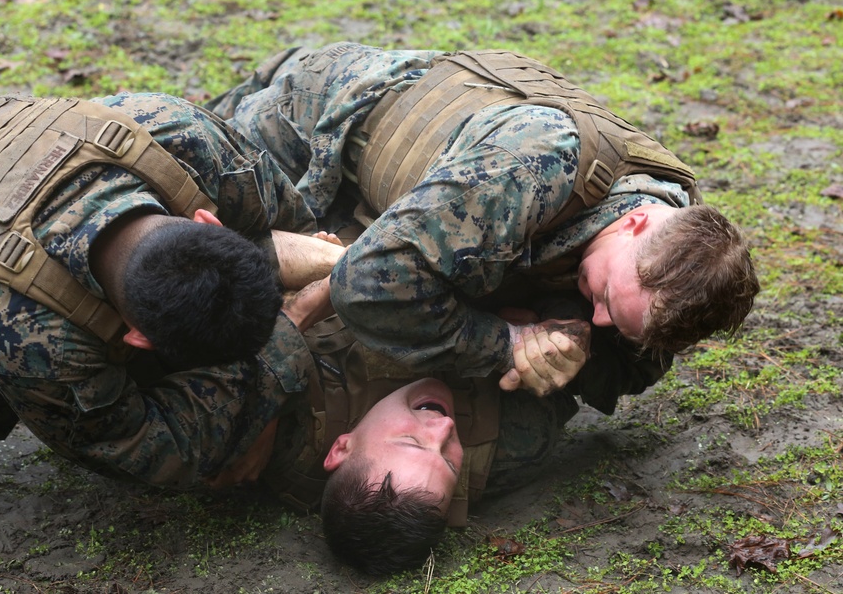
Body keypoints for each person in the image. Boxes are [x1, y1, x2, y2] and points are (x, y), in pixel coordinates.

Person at [206, 42, 760, 572]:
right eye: (607, 301)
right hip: (318, 126)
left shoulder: (681, 258)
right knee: (185, 209)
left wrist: (573, 339)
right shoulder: (528, 173)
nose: (602, 318)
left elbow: (635, 366)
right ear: (635, 224)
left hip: (399, 203)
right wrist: (509, 344)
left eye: (617, 319)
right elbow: (367, 285)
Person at [0, 91, 344, 488]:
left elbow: (285, 223)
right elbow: (143, 449)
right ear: (136, 337)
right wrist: (285, 344)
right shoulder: (32, 339)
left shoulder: (182, 138)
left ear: (208, 221)